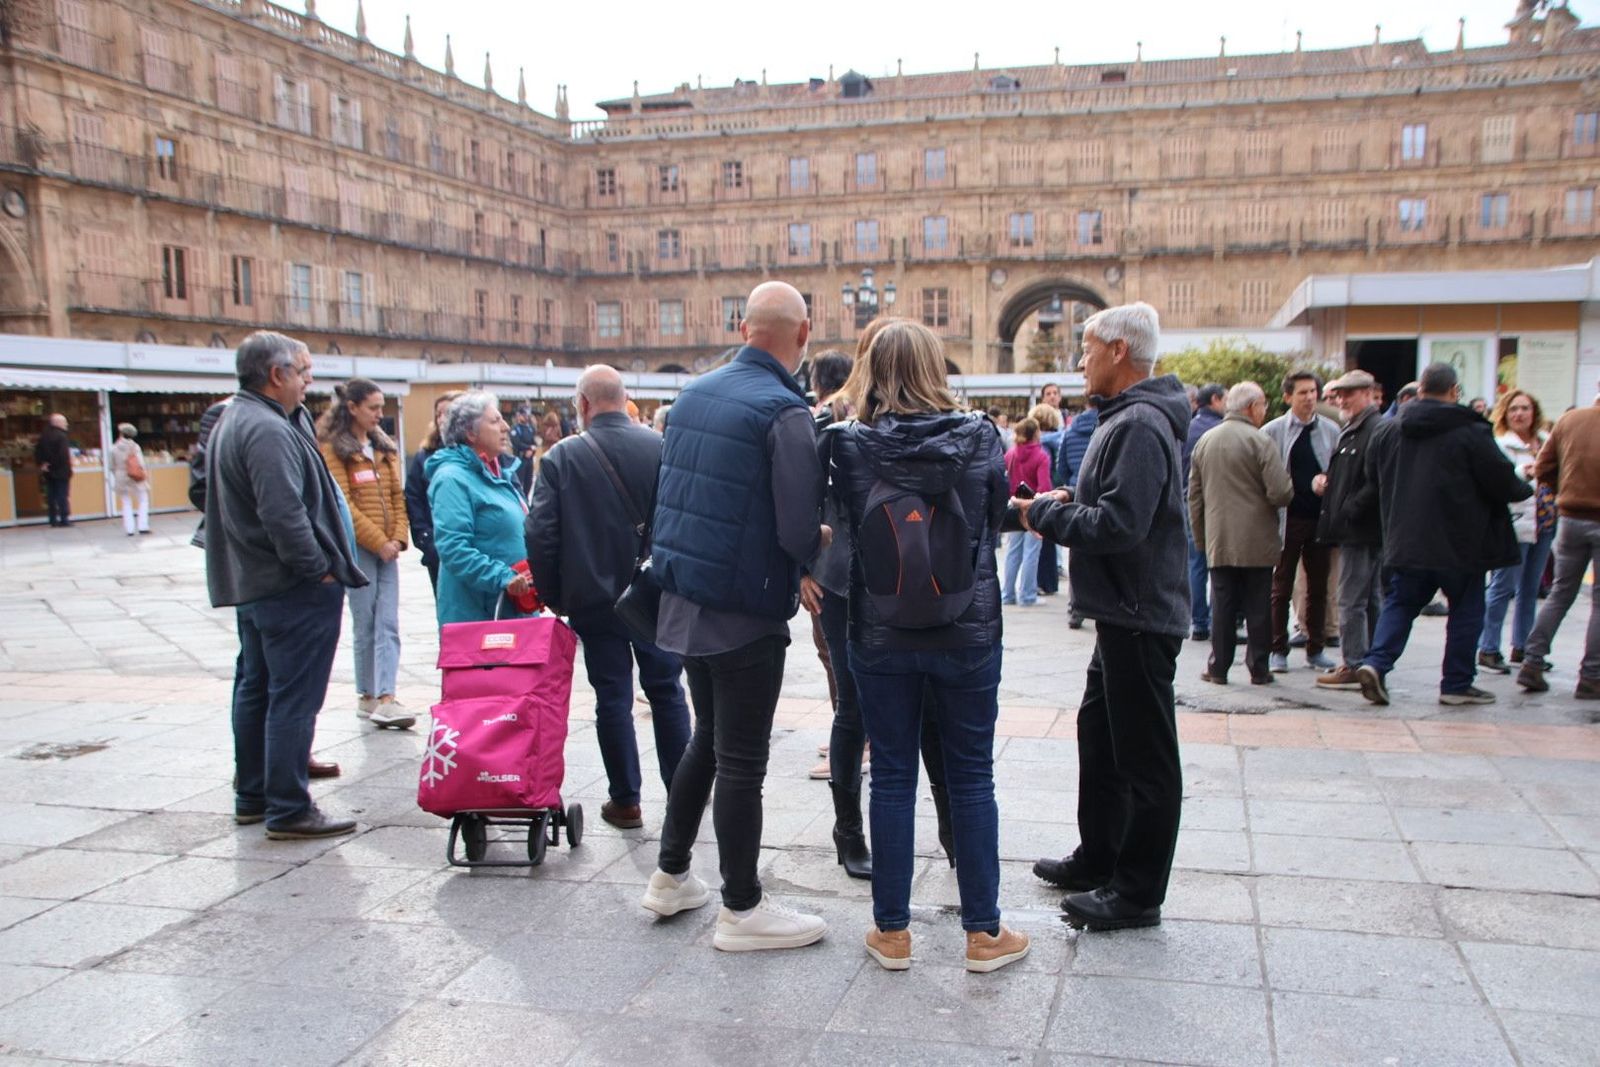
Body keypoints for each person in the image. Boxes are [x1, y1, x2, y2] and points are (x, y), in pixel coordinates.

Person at [825, 318, 1024, 973]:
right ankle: (982, 933)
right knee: (971, 775)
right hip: (966, 630)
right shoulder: (981, 437)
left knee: (890, 776)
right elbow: (993, 520)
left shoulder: (849, 445)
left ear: (873, 371)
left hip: (879, 631)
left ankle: (892, 932)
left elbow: (843, 523)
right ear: (936, 368)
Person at [638, 280, 829, 952]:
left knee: (707, 738)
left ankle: (669, 876)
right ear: (802, 335)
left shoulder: (691, 395)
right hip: (744, 611)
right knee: (742, 758)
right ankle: (741, 908)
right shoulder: (784, 410)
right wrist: (817, 549)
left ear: (743, 327)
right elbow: (799, 521)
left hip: (685, 601)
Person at [1021, 302, 1189, 931]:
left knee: (1145, 757)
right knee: (1101, 737)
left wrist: (1043, 515)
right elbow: (1118, 504)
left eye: (1088, 349)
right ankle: (1100, 856)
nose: (1081, 360)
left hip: (1140, 613)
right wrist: (1069, 497)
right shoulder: (1128, 419)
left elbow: (1121, 525)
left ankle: (1137, 892)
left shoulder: (1140, 423)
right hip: (1123, 610)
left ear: (1120, 350)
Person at [204, 331, 365, 839]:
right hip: (288, 586)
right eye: (303, 372)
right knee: (292, 697)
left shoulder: (238, 417)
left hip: (257, 586)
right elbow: (283, 512)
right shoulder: (266, 428)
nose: (308, 382)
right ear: (276, 375)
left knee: (256, 690)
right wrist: (315, 566)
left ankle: (253, 794)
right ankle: (289, 806)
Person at [526, 364, 692, 830]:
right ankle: (683, 796)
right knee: (667, 691)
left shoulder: (562, 457)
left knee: (613, 697)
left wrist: (556, 594)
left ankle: (626, 800)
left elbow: (540, 532)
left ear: (582, 404)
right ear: (625, 398)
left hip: (593, 598)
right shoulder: (661, 447)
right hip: (656, 593)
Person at [1355, 363, 1530, 707]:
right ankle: (1456, 683)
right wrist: (1524, 486)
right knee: (1466, 609)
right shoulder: (1470, 431)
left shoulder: (1389, 430)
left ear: (1420, 391)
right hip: (1461, 542)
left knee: (1401, 603)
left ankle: (1376, 664)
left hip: (1406, 539)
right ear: (1454, 392)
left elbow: (1373, 479)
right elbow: (1502, 481)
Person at [318, 379, 413, 730]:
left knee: (387, 620)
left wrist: (399, 538)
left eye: (381, 407)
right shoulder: (334, 449)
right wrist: (379, 541)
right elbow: (342, 505)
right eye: (372, 407)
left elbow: (397, 497)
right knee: (366, 621)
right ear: (352, 408)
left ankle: (387, 695)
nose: (379, 414)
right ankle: (368, 694)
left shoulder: (383, 447)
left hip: (389, 548)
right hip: (358, 548)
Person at [1188, 382, 1292, 685]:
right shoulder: (1260, 441)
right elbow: (1281, 492)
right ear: (1251, 407)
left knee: (1221, 606)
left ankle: (1218, 667)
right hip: (1257, 540)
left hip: (1219, 539)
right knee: (1258, 606)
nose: (1265, 411)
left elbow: (1194, 497)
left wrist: (1201, 538)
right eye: (1262, 405)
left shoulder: (1206, 441)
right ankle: (1259, 669)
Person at [1516, 377, 1600, 700]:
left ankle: (1532, 660)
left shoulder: (1570, 420)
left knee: (1561, 592)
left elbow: (1543, 467)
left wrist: (1563, 490)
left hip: (1571, 518)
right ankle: (1592, 675)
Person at [426, 392, 532, 626]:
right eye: (495, 421)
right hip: (478, 614)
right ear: (470, 433)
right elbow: (453, 548)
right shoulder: (452, 479)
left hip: (511, 608)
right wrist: (503, 577)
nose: (505, 427)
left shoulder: (499, 473)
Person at [1262, 371, 1340, 673]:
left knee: (1318, 587)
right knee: (1281, 586)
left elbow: (1338, 468)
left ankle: (1315, 646)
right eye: (1303, 392)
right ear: (1288, 397)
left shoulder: (1330, 430)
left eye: (1313, 392)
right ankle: (1277, 648)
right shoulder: (1273, 431)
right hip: (1287, 518)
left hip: (1319, 518)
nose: (1309, 398)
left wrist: (1327, 481)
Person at [1312, 370, 1386, 690]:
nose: (1342, 400)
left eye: (1350, 394)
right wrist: (1327, 486)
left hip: (1362, 528)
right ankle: (1370, 660)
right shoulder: (1355, 429)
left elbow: (1374, 482)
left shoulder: (1375, 429)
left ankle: (1355, 662)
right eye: (1340, 394)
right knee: (1367, 597)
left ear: (1369, 394)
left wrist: (1347, 510)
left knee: (1352, 598)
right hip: (1358, 526)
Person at [1477, 390, 1555, 675]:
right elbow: (1500, 481)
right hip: (1516, 521)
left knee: (1531, 589)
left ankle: (1523, 646)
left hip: (1545, 521)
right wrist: (1525, 471)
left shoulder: (1546, 442)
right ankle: (1488, 648)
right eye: (1514, 409)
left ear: (1534, 412)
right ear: (1505, 414)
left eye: (1525, 408)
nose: (1520, 414)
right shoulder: (1500, 444)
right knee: (1502, 586)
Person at [404, 391, 463, 596]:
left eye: (448, 413)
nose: (442, 419)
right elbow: (414, 498)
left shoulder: (479, 452)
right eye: (438, 414)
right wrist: (426, 539)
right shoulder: (425, 456)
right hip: (437, 548)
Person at [1182, 383, 1226, 640]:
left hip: (1189, 499)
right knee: (1217, 564)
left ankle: (1198, 622)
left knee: (1195, 562)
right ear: (1215, 400)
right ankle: (1214, 620)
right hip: (1217, 503)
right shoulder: (1220, 430)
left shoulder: (1187, 429)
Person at [1056, 397, 1099, 630]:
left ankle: (1075, 607)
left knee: (1077, 552)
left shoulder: (1070, 433)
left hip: (1076, 492)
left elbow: (1061, 466)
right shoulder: (1107, 426)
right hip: (1100, 493)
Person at [1001, 417, 1051, 607]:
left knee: (1013, 552)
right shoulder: (1041, 456)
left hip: (1013, 506)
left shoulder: (1010, 454)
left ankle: (1008, 594)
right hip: (1033, 507)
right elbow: (1044, 486)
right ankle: (1027, 595)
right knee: (1031, 552)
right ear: (1036, 433)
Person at [1030, 403, 1064, 596]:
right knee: (1050, 540)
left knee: (1040, 542)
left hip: (1042, 494)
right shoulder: (1060, 439)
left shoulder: (1041, 446)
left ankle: (1042, 582)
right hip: (1058, 492)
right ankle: (1050, 582)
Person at [109, 423, 151, 536]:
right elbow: (141, 463)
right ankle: (143, 526)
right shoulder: (135, 447)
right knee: (143, 500)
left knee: (126, 503)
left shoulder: (114, 447)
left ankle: (129, 529)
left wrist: (117, 473)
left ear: (121, 434)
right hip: (136, 476)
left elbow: (111, 466)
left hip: (121, 477)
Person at [33, 413, 72, 527]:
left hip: (48, 471)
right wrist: (53, 465)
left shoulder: (44, 436)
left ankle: (52, 519)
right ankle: (64, 519)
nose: (66, 424)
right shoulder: (62, 436)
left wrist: (43, 464)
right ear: (58, 423)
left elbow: (37, 451)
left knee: (51, 496)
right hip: (61, 471)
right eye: (64, 422)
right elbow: (62, 455)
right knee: (62, 495)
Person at [509, 407, 537, 498]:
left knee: (529, 481)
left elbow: (534, 442)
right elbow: (516, 443)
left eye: (526, 415)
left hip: (529, 459)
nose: (525, 417)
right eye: (523, 415)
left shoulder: (530, 428)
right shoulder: (515, 429)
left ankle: (526, 498)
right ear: (519, 416)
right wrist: (528, 448)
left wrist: (532, 450)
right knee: (519, 481)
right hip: (520, 458)